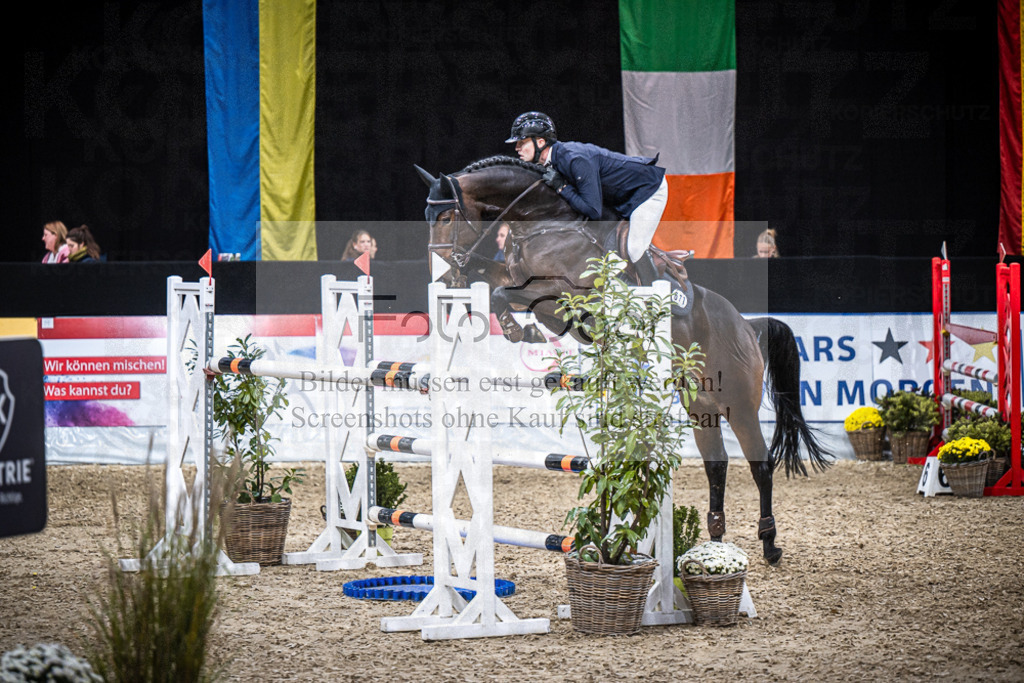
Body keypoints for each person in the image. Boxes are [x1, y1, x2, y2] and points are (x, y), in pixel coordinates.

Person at [505, 111, 666, 284]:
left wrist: (562, 187)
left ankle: (654, 303)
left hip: (648, 189)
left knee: (634, 249)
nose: (517, 148)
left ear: (541, 142)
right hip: (620, 197)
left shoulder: (575, 159)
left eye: (522, 142)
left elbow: (593, 210)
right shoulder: (552, 163)